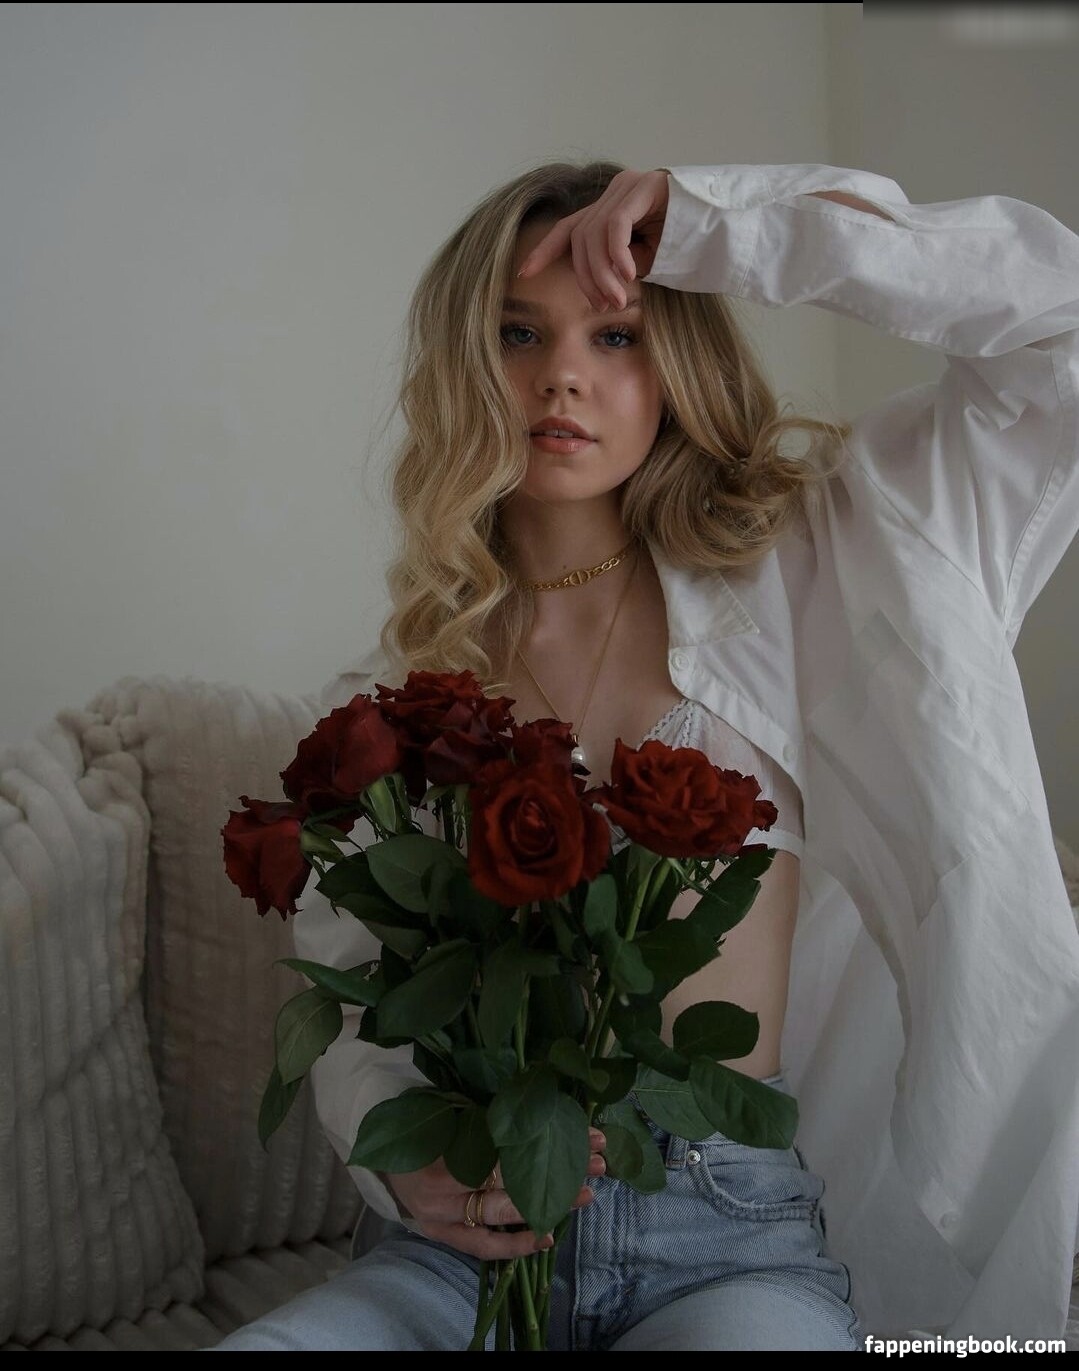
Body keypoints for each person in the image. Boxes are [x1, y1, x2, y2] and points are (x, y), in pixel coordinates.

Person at [212, 159, 1079, 1350]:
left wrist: (725, 226)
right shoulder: (390, 698)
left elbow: (1054, 332)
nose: (561, 375)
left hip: (722, 1238)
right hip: (460, 1253)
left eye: (615, 334)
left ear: (678, 362)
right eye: (517, 332)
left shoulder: (814, 565)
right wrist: (398, 1166)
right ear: (463, 363)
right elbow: (349, 983)